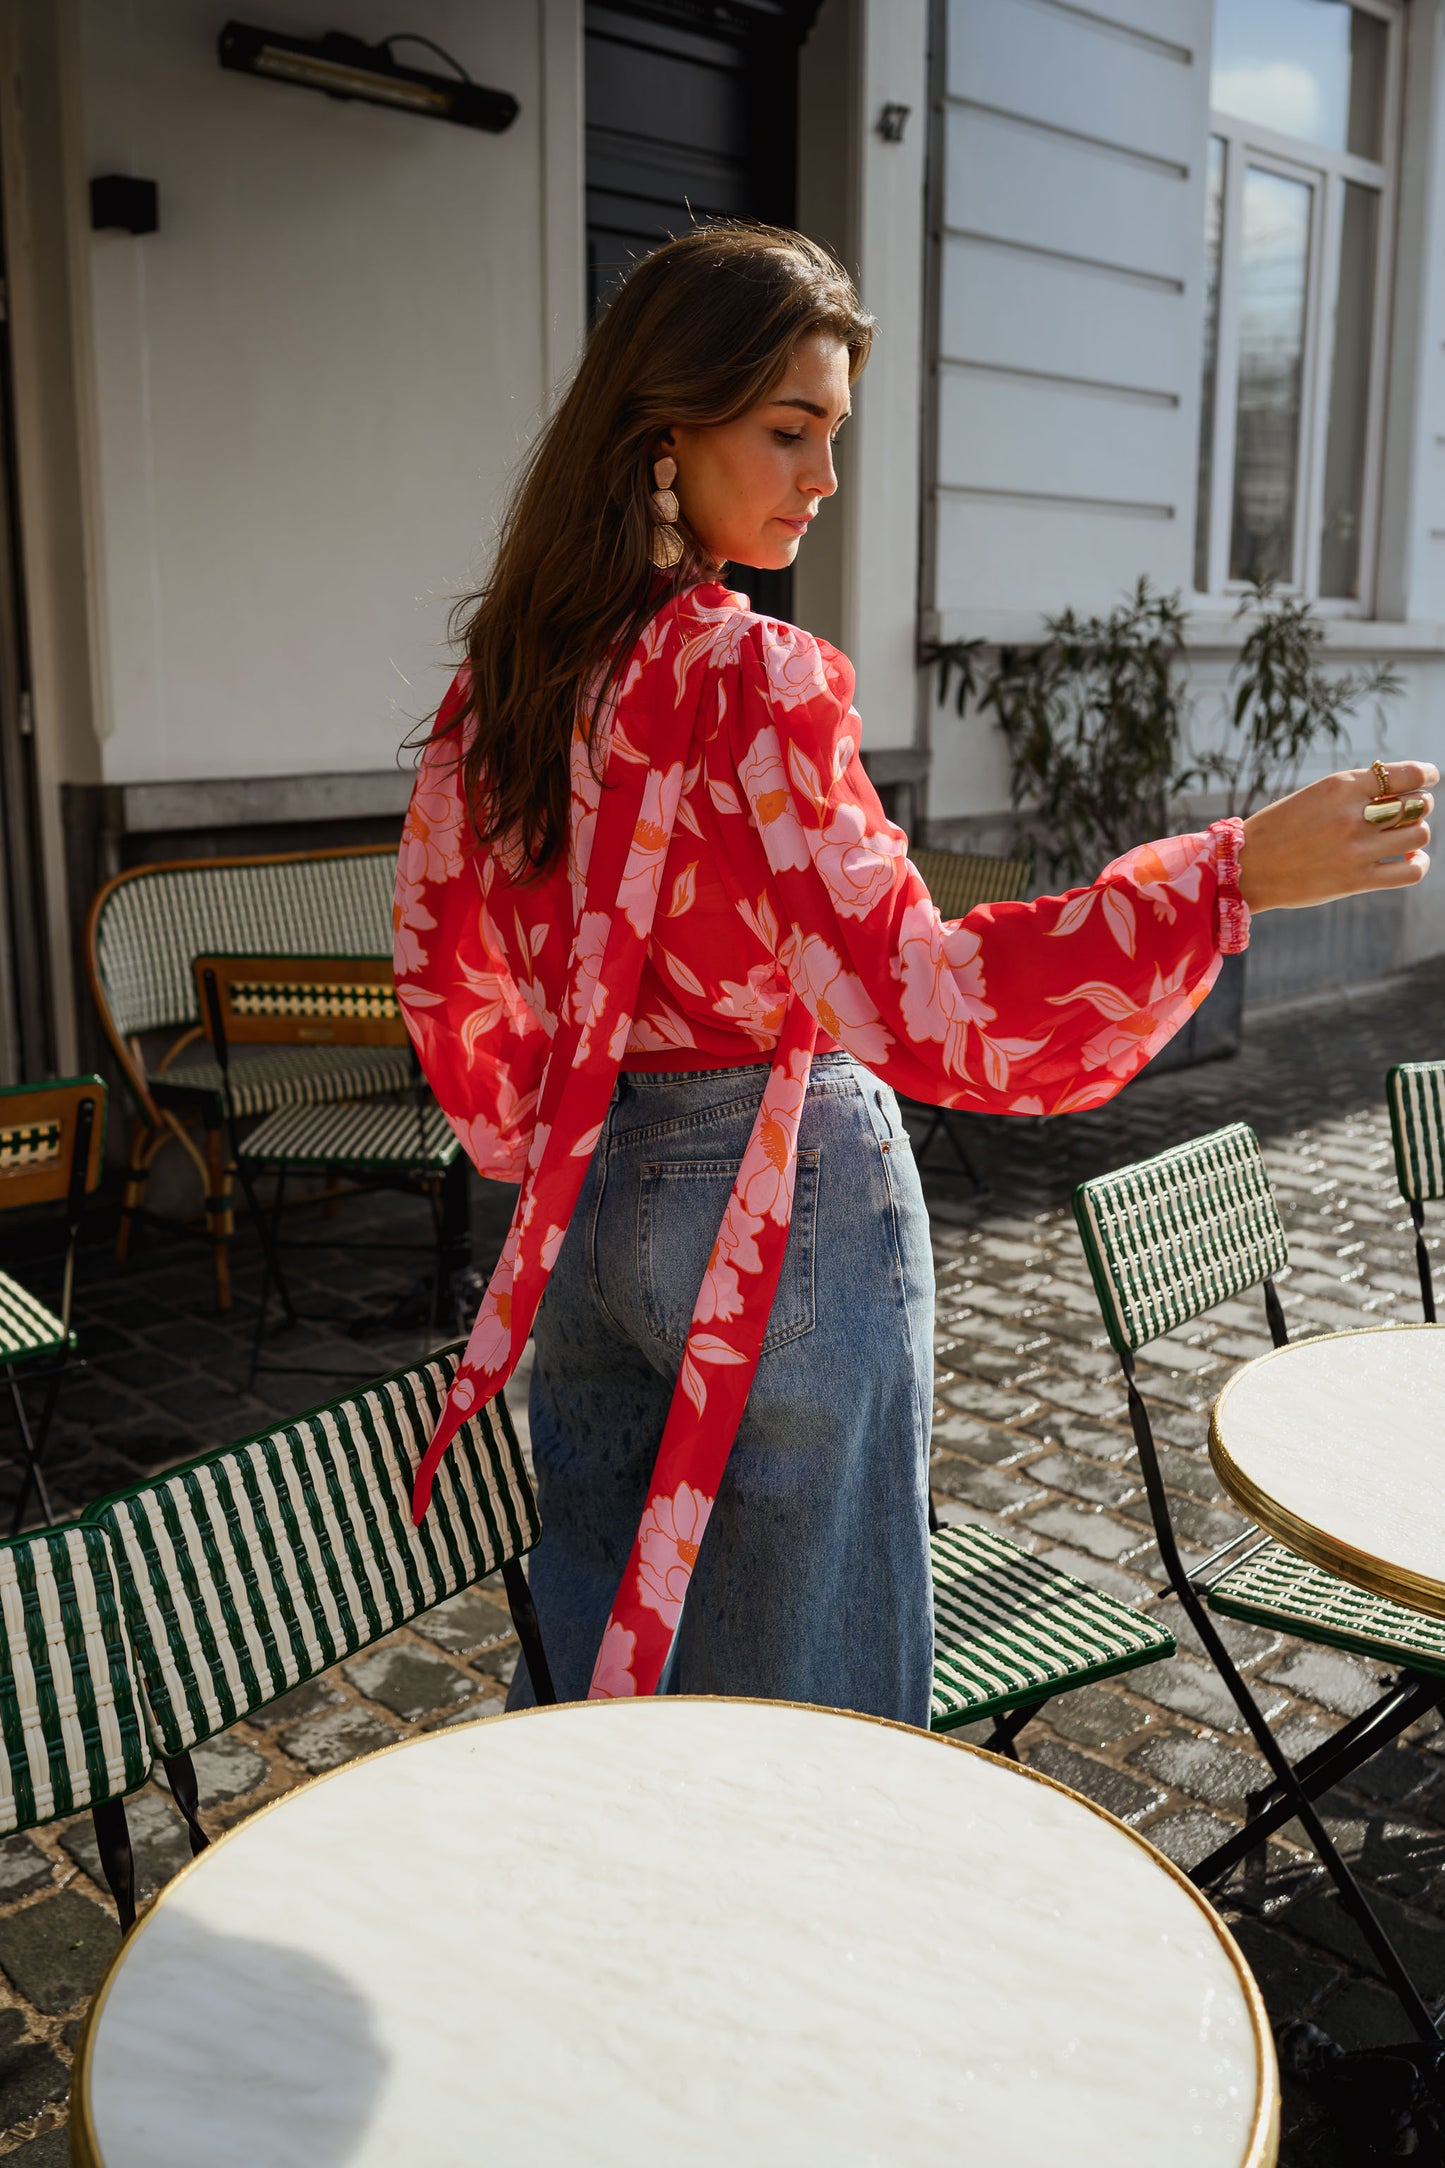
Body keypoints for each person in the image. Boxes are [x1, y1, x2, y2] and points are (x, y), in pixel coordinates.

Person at [395, 223, 1435, 1727]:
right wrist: (1223, 878)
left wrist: (534, 1132)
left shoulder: (509, 678)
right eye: (789, 429)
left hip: (579, 1206)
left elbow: (445, 954)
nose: (822, 476)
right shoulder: (747, 681)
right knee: (802, 1697)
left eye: (835, 434)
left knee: (599, 1678)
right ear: (661, 434)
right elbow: (929, 1002)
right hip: (774, 1199)